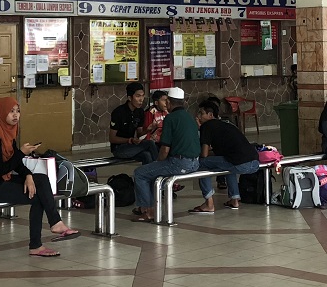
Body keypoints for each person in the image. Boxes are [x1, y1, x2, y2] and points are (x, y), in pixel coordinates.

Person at [0, 97, 80, 257]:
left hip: (1, 181)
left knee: (41, 180)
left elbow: (15, 163)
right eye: (11, 111)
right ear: (2, 113)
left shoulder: (8, 134)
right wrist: (21, 153)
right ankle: (39, 242)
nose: (15, 115)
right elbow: (0, 169)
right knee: (39, 196)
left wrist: (28, 175)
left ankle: (54, 224)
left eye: (18, 111)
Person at [133, 87, 199, 222]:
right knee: (151, 172)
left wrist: (157, 162)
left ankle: (149, 211)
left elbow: (165, 149)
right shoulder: (189, 116)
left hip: (179, 163)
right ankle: (149, 206)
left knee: (140, 173)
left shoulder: (170, 118)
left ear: (169, 102)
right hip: (195, 163)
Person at [190, 99, 261, 212]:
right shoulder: (226, 124)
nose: (198, 116)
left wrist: (200, 129)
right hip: (255, 162)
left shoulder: (207, 126)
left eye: (201, 113)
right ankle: (234, 200)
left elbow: (204, 154)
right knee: (227, 164)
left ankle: (209, 204)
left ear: (210, 115)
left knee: (200, 164)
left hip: (240, 163)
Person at [109, 82, 159, 163]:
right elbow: (112, 138)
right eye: (138, 96)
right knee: (150, 144)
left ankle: (148, 175)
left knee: (147, 155)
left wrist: (148, 129)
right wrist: (129, 140)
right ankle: (160, 168)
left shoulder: (140, 112)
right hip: (119, 149)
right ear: (130, 98)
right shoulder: (118, 112)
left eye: (143, 96)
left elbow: (139, 134)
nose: (141, 99)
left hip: (132, 146)